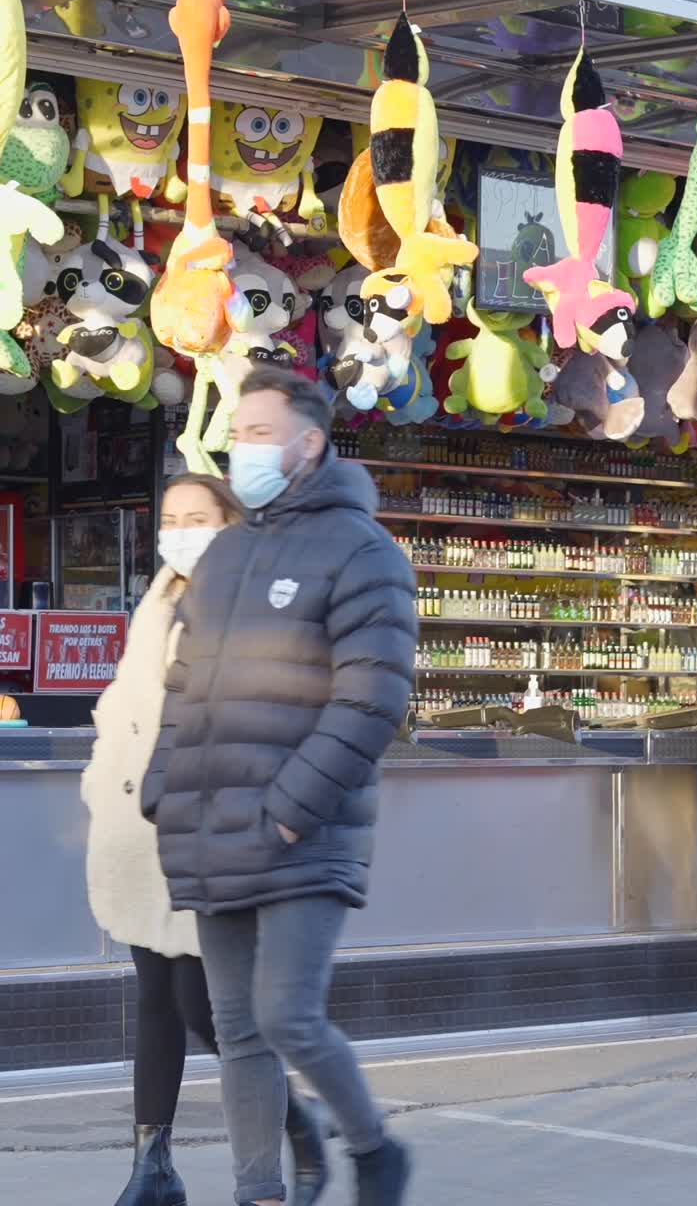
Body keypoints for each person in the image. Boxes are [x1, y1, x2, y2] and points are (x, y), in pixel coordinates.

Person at [143, 366, 417, 1206]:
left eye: (259, 433)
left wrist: (292, 809)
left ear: (310, 444)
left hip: (304, 829)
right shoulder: (227, 553)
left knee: (288, 1016)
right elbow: (184, 679)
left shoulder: (364, 551)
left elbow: (373, 696)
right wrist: (162, 788)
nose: (242, 450)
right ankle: (258, 1192)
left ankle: (375, 1150)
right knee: (238, 1031)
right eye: (236, 434)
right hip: (208, 823)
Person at [83, 472, 329, 1206]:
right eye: (171, 517)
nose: (182, 529)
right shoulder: (158, 600)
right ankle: (151, 1166)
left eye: (199, 516)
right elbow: (124, 712)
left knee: (204, 1007)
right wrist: (102, 789)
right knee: (155, 998)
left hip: (208, 836)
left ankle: (293, 1125)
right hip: (138, 836)